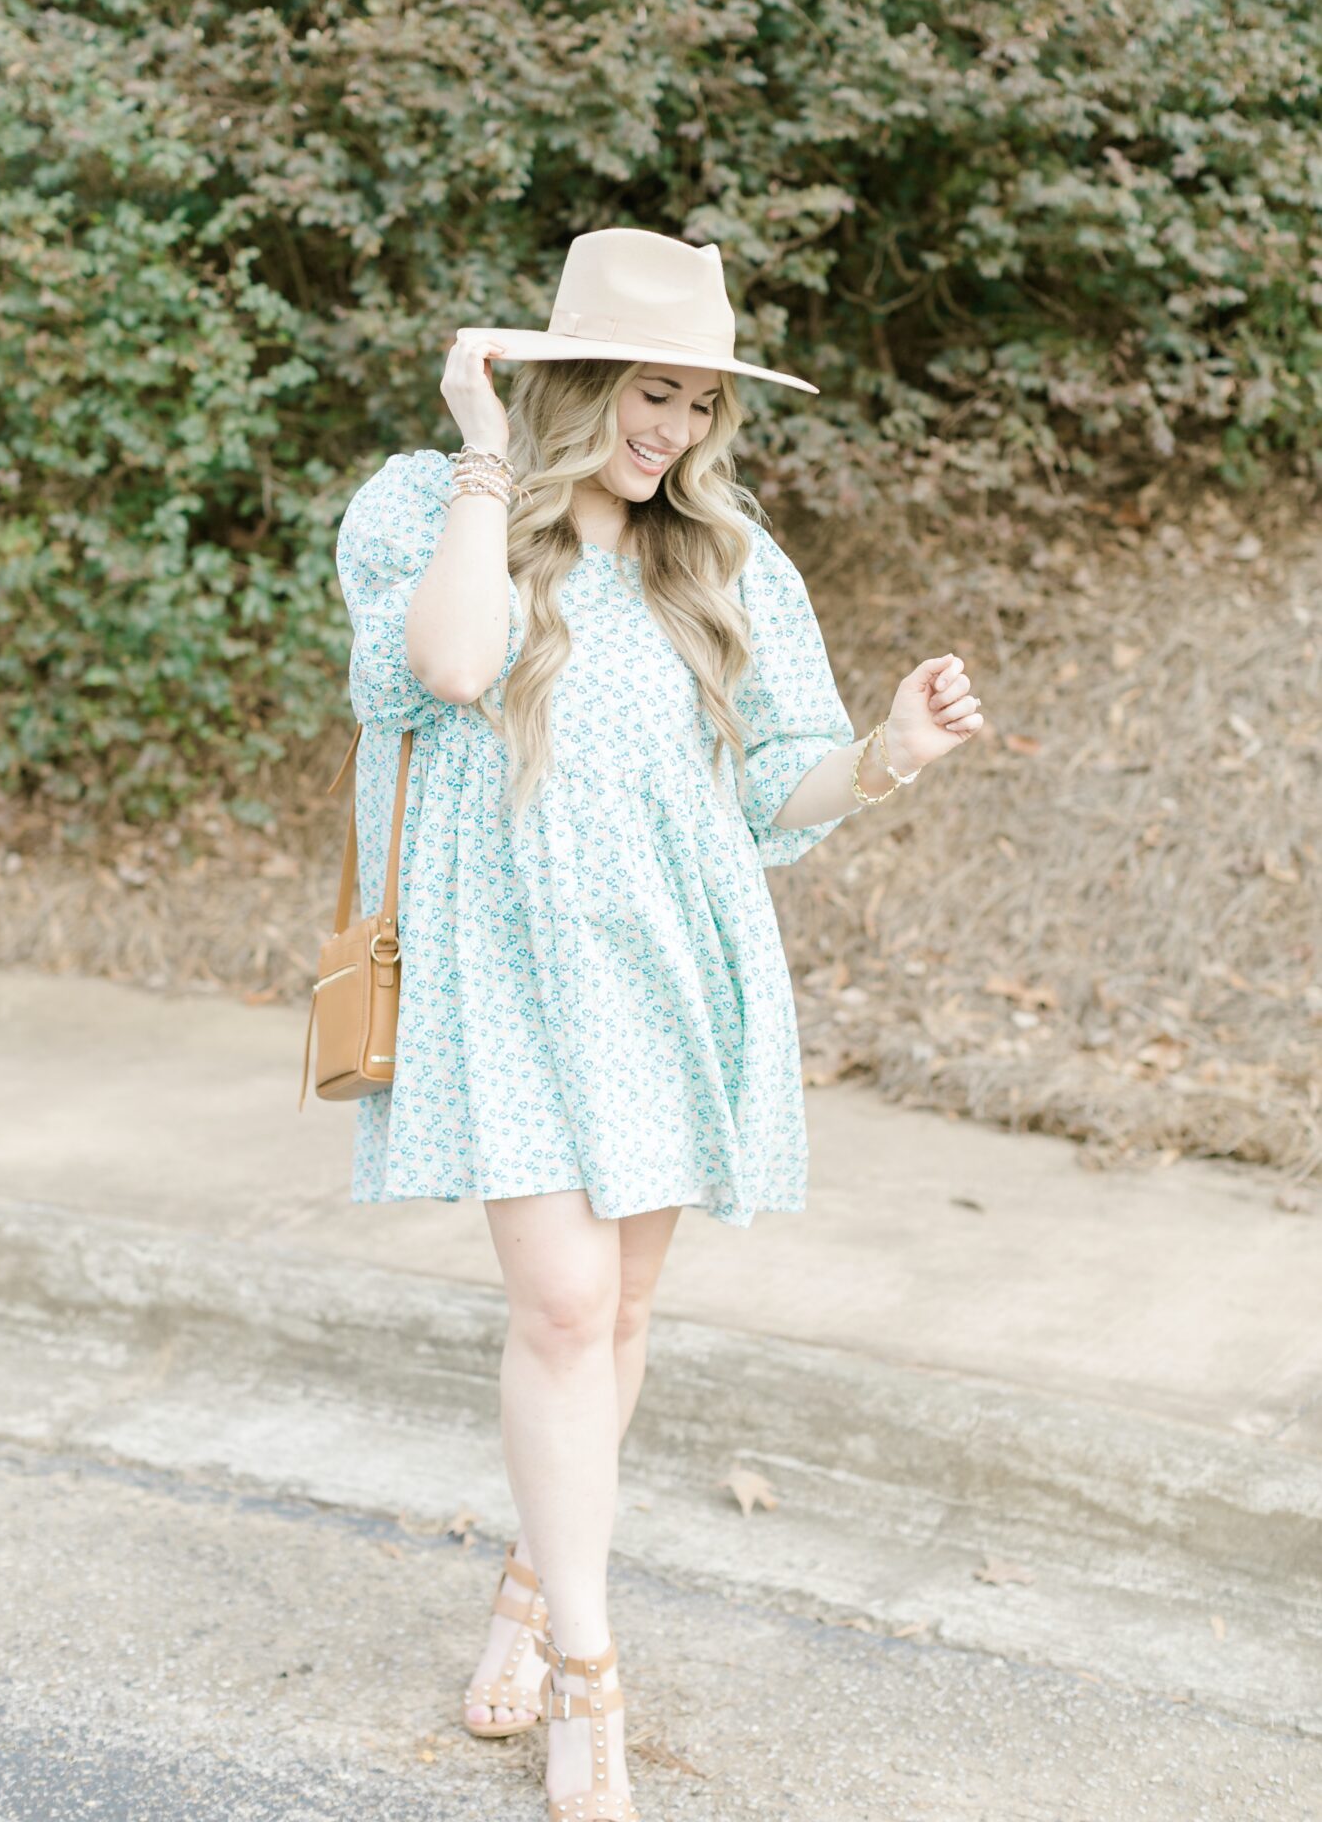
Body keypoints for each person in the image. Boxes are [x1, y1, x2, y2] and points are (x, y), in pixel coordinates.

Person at [334, 227, 983, 1822]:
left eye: (697, 404)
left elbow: (778, 788)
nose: (671, 432)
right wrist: (490, 453)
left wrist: (888, 755)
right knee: (561, 1310)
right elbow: (448, 663)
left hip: (666, 968)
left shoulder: (726, 556)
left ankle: (531, 1590)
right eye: (647, 392)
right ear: (568, 378)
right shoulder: (424, 504)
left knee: (612, 1324)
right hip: (501, 964)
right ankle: (591, 1688)